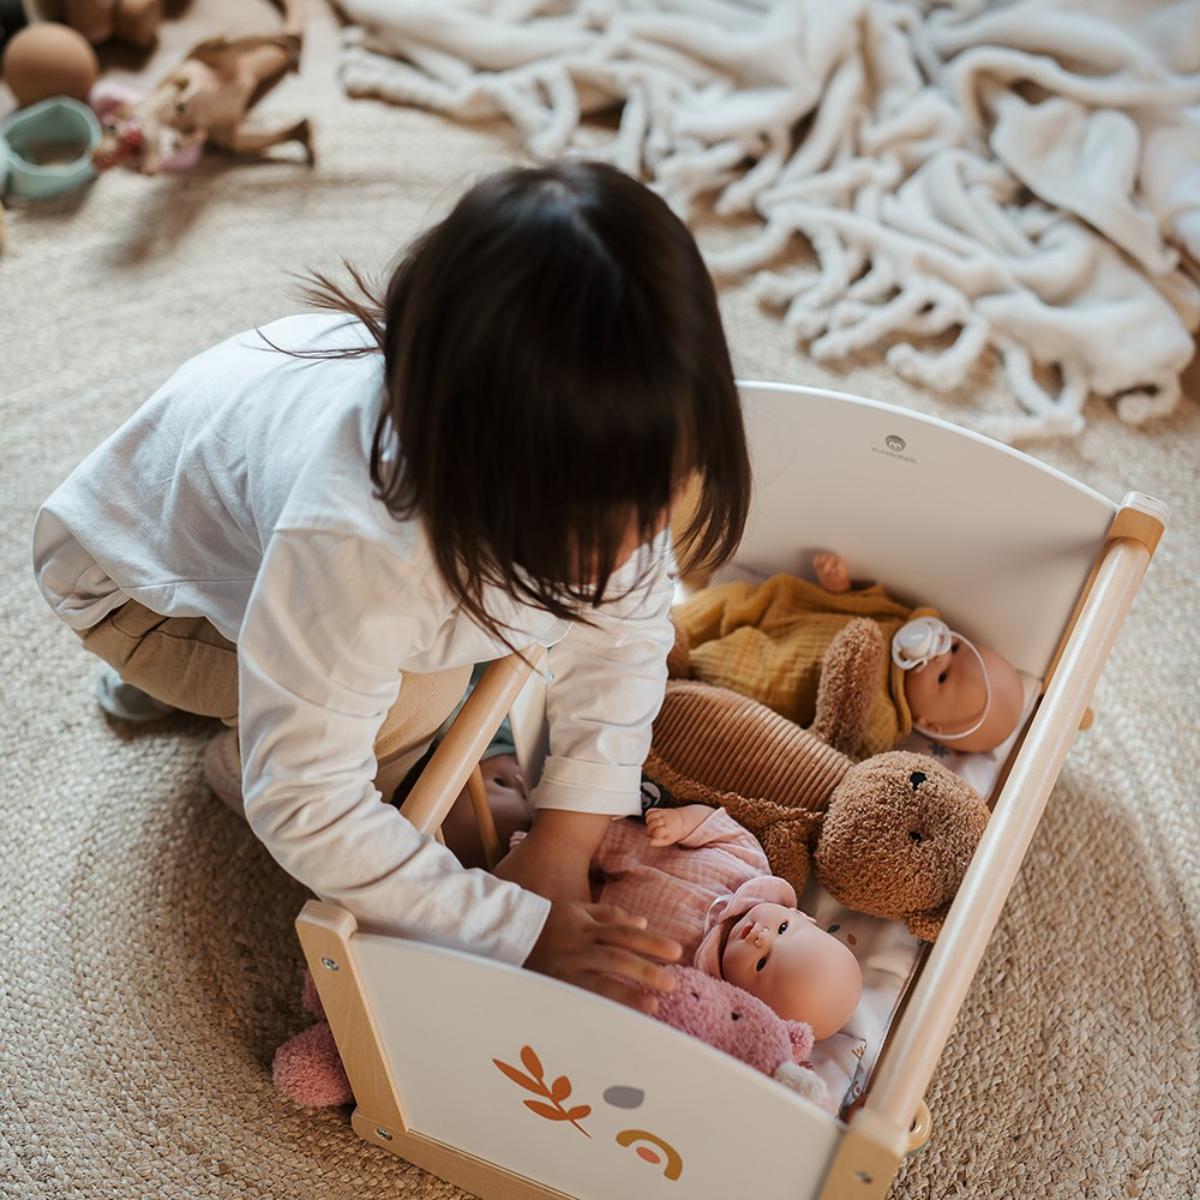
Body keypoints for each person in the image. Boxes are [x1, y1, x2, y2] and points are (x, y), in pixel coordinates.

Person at [31, 160, 751, 1013]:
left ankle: (246, 671)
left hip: (239, 532)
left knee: (462, 650)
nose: (629, 551)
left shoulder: (597, 457)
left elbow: (627, 636)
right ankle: (227, 732)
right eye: (590, 530)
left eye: (657, 500)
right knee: (429, 696)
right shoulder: (360, 549)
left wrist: (564, 840)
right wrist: (512, 929)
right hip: (128, 586)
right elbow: (307, 800)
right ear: (467, 472)